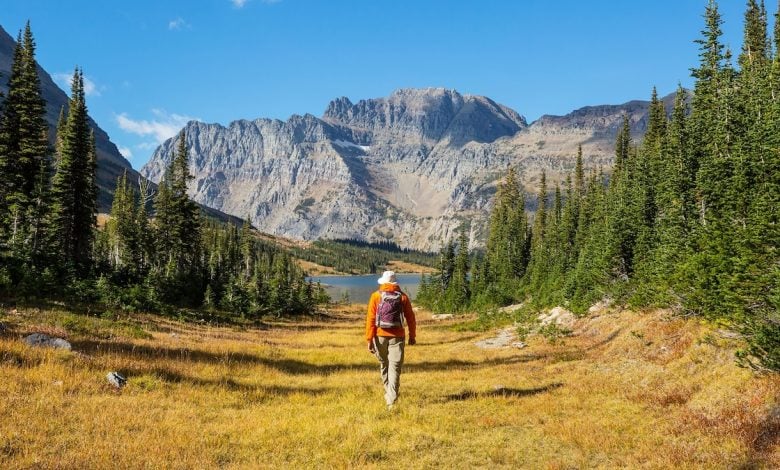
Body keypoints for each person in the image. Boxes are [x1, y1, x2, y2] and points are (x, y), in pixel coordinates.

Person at [365, 270, 417, 409]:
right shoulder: (403, 297)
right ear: (395, 283)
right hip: (398, 336)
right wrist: (412, 335)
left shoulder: (376, 296)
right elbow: (411, 318)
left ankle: (389, 393)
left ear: (383, 282)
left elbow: (370, 319)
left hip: (380, 336)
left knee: (384, 364)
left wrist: (369, 339)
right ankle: (391, 399)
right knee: (395, 368)